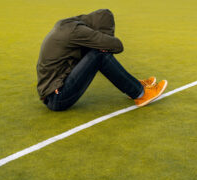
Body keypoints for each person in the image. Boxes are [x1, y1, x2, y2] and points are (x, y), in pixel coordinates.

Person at [36, 9, 167, 111]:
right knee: (99, 54)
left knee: (98, 52)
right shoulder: (77, 32)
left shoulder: (70, 24)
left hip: (54, 92)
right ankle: (140, 94)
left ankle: (134, 85)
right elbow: (117, 46)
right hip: (57, 98)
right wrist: (103, 44)